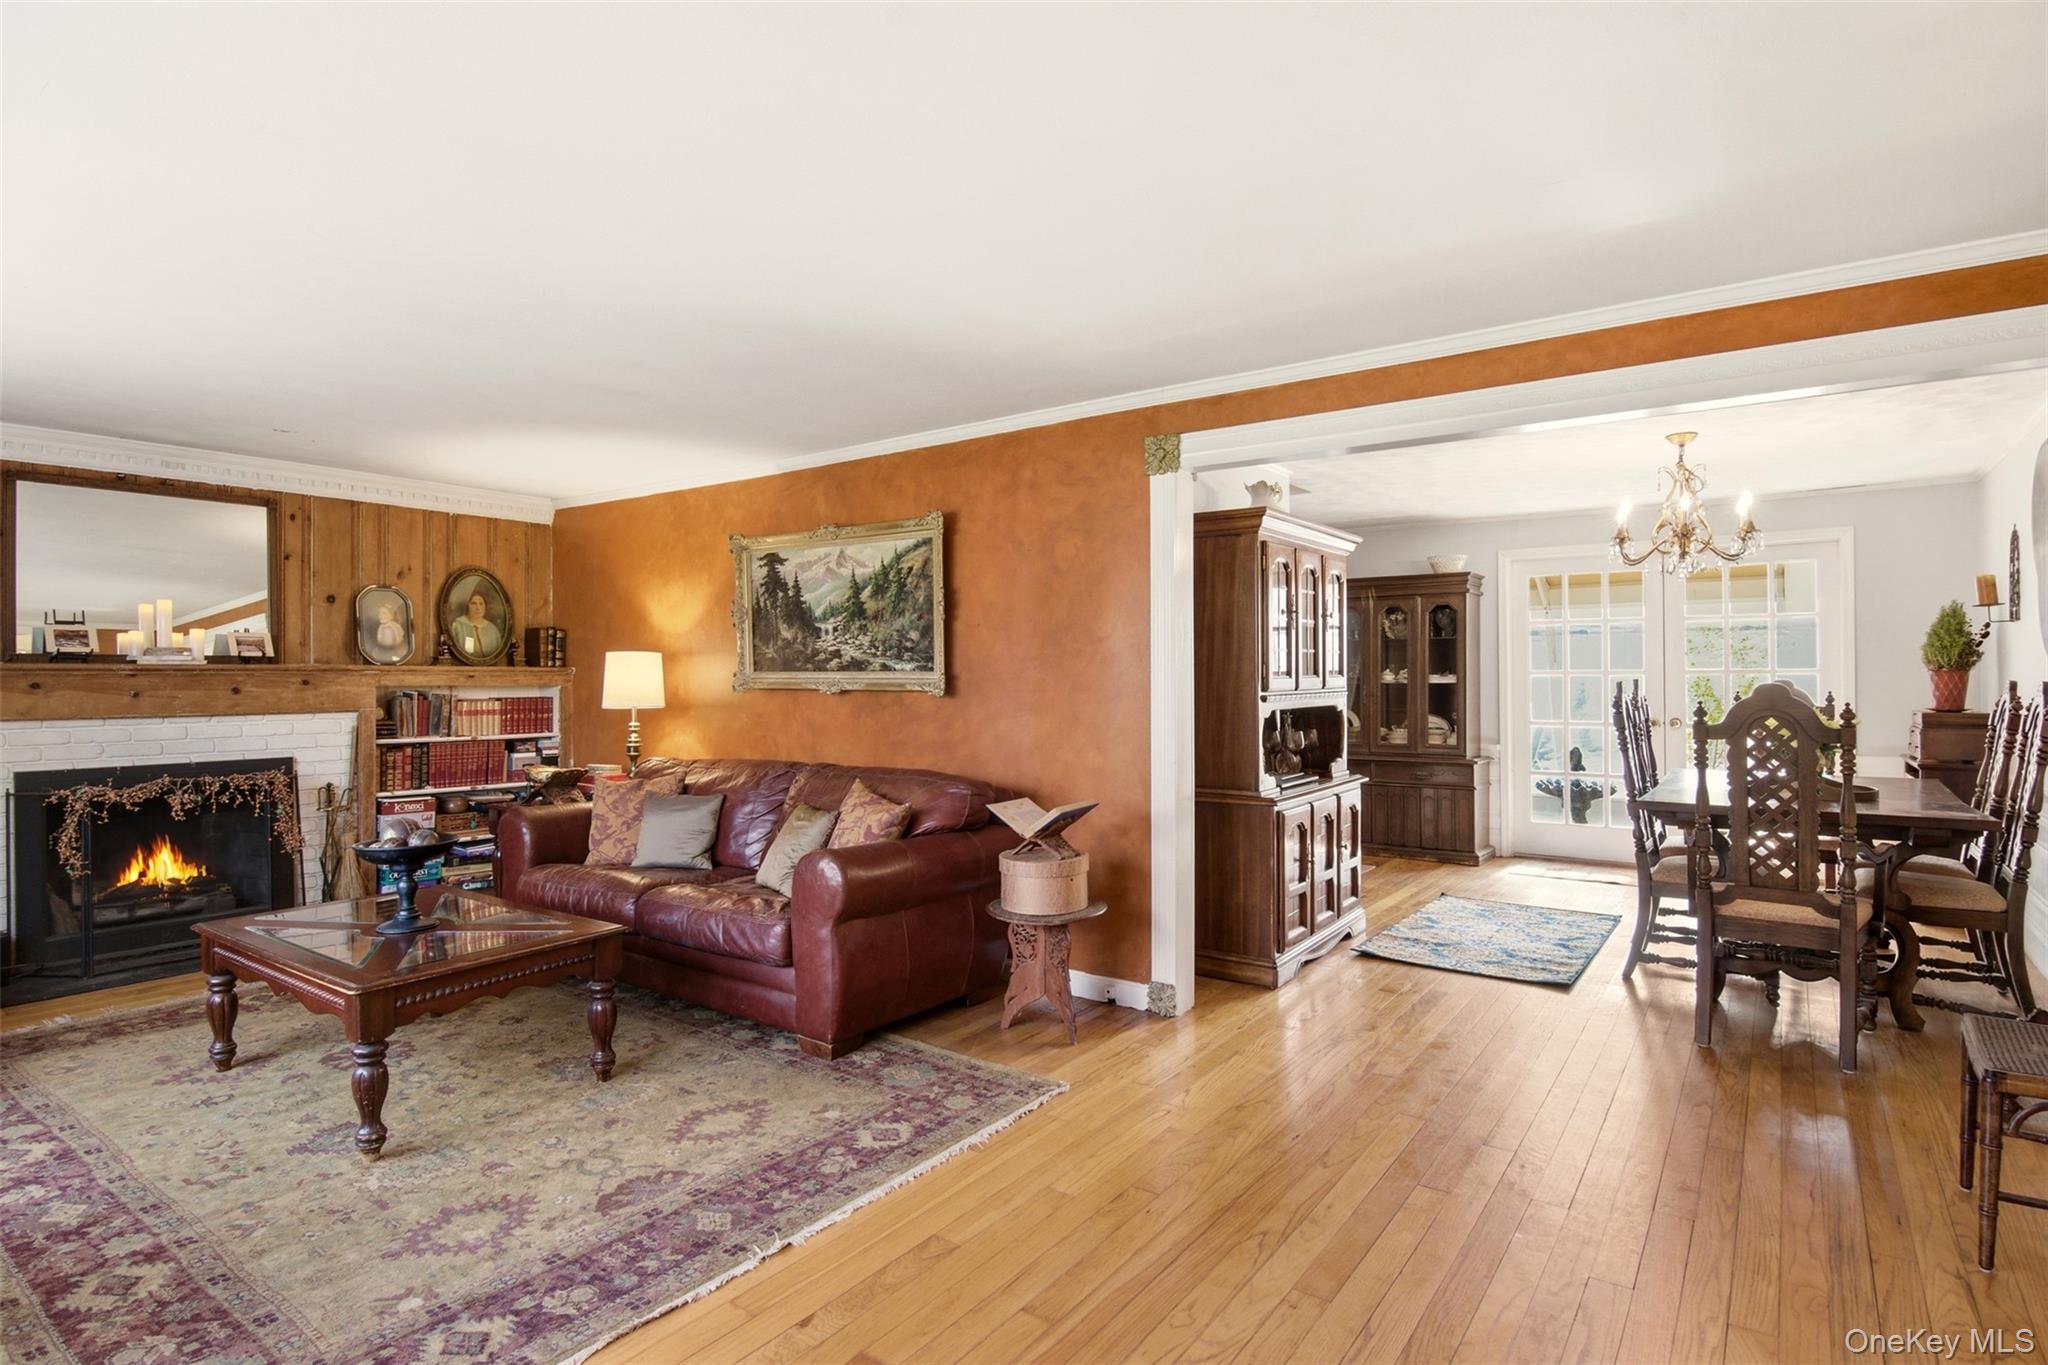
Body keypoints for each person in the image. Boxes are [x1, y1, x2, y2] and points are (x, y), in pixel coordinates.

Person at [449, 586, 503, 658]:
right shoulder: (457, 626)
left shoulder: (492, 629)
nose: (478, 608)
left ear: (485, 607)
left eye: (481, 604)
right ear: (467, 606)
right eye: (473, 603)